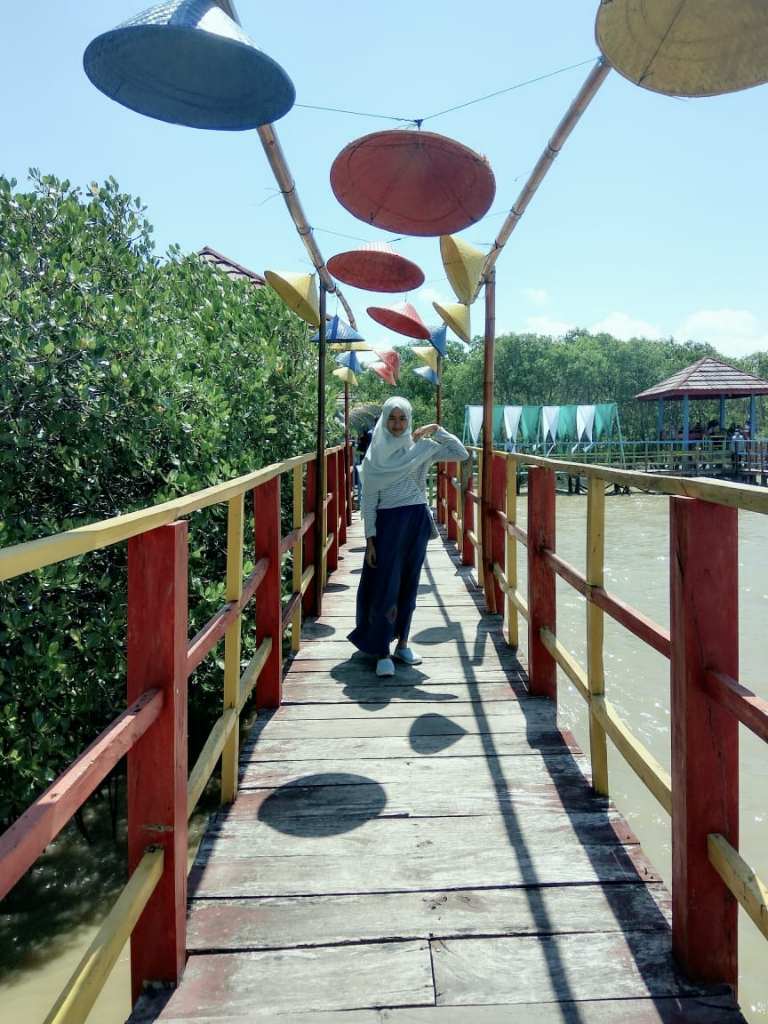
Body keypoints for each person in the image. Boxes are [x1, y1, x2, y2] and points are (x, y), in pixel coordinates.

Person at [347, 396, 468, 678]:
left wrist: (436, 429)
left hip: (416, 521)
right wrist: (370, 539)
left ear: (410, 420)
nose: (398, 424)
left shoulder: (422, 449)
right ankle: (382, 650)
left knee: (410, 582)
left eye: (403, 418)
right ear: (384, 420)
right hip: (388, 523)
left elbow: (460, 453)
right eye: (392, 418)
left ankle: (402, 642)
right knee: (386, 585)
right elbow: (368, 500)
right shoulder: (376, 455)